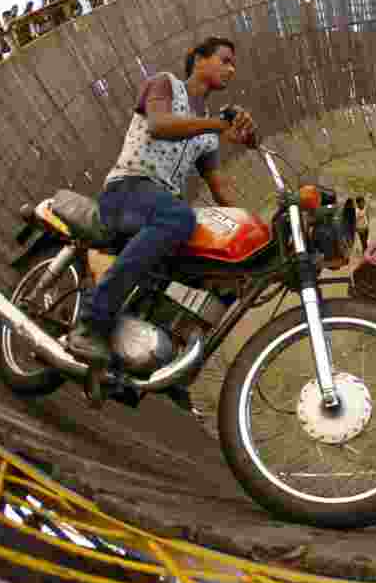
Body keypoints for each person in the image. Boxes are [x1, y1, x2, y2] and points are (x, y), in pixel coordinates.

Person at [67, 37, 258, 411]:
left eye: (234, 64)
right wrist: (218, 124)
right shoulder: (165, 84)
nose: (230, 69)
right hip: (128, 189)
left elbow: (219, 186)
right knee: (180, 216)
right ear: (199, 60)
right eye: (224, 60)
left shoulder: (207, 132)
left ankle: (170, 366)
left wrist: (249, 234)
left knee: (219, 270)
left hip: (156, 208)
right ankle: (93, 321)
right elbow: (160, 124)